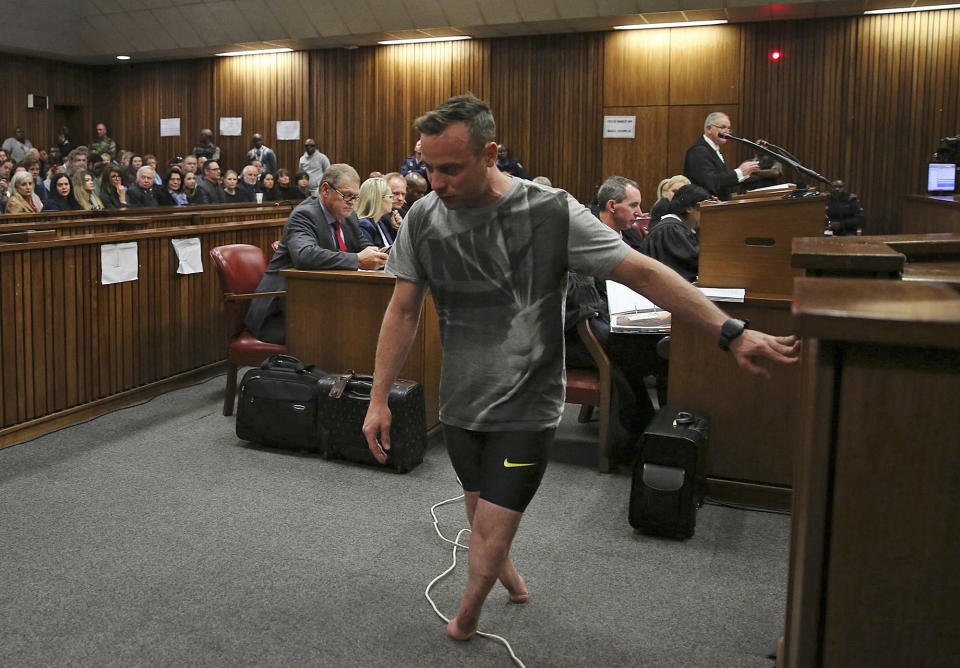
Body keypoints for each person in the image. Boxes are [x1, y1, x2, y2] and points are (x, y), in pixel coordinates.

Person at [360, 94, 799, 643]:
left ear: (491, 153)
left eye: (451, 168)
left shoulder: (550, 211)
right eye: (428, 167)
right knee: (481, 516)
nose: (437, 181)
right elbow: (402, 311)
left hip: (529, 402)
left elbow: (644, 272)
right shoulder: (424, 217)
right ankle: (511, 581)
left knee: (491, 529)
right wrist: (378, 399)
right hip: (462, 400)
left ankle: (466, 618)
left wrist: (728, 330)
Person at [245, 164, 389, 344]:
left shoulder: (348, 216)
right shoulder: (304, 215)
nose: (352, 202)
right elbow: (305, 255)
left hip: (320, 303)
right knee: (351, 331)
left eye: (355, 197)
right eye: (347, 195)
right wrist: (357, 260)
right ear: (325, 189)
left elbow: (364, 246)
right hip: (283, 311)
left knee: (369, 323)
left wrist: (382, 255)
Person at [639, 184, 711, 283]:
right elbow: (695, 261)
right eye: (703, 208)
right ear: (689, 208)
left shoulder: (680, 228)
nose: (706, 214)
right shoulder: (670, 229)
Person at [683, 112, 759, 201]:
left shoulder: (713, 149)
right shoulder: (698, 150)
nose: (727, 132)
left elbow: (721, 181)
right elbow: (711, 181)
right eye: (722, 127)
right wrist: (739, 172)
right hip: (705, 207)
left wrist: (744, 174)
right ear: (709, 129)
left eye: (729, 128)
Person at [356, 177, 396, 247]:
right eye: (390, 197)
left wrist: (397, 228)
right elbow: (370, 255)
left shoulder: (381, 223)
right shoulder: (363, 225)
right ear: (379, 199)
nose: (392, 201)